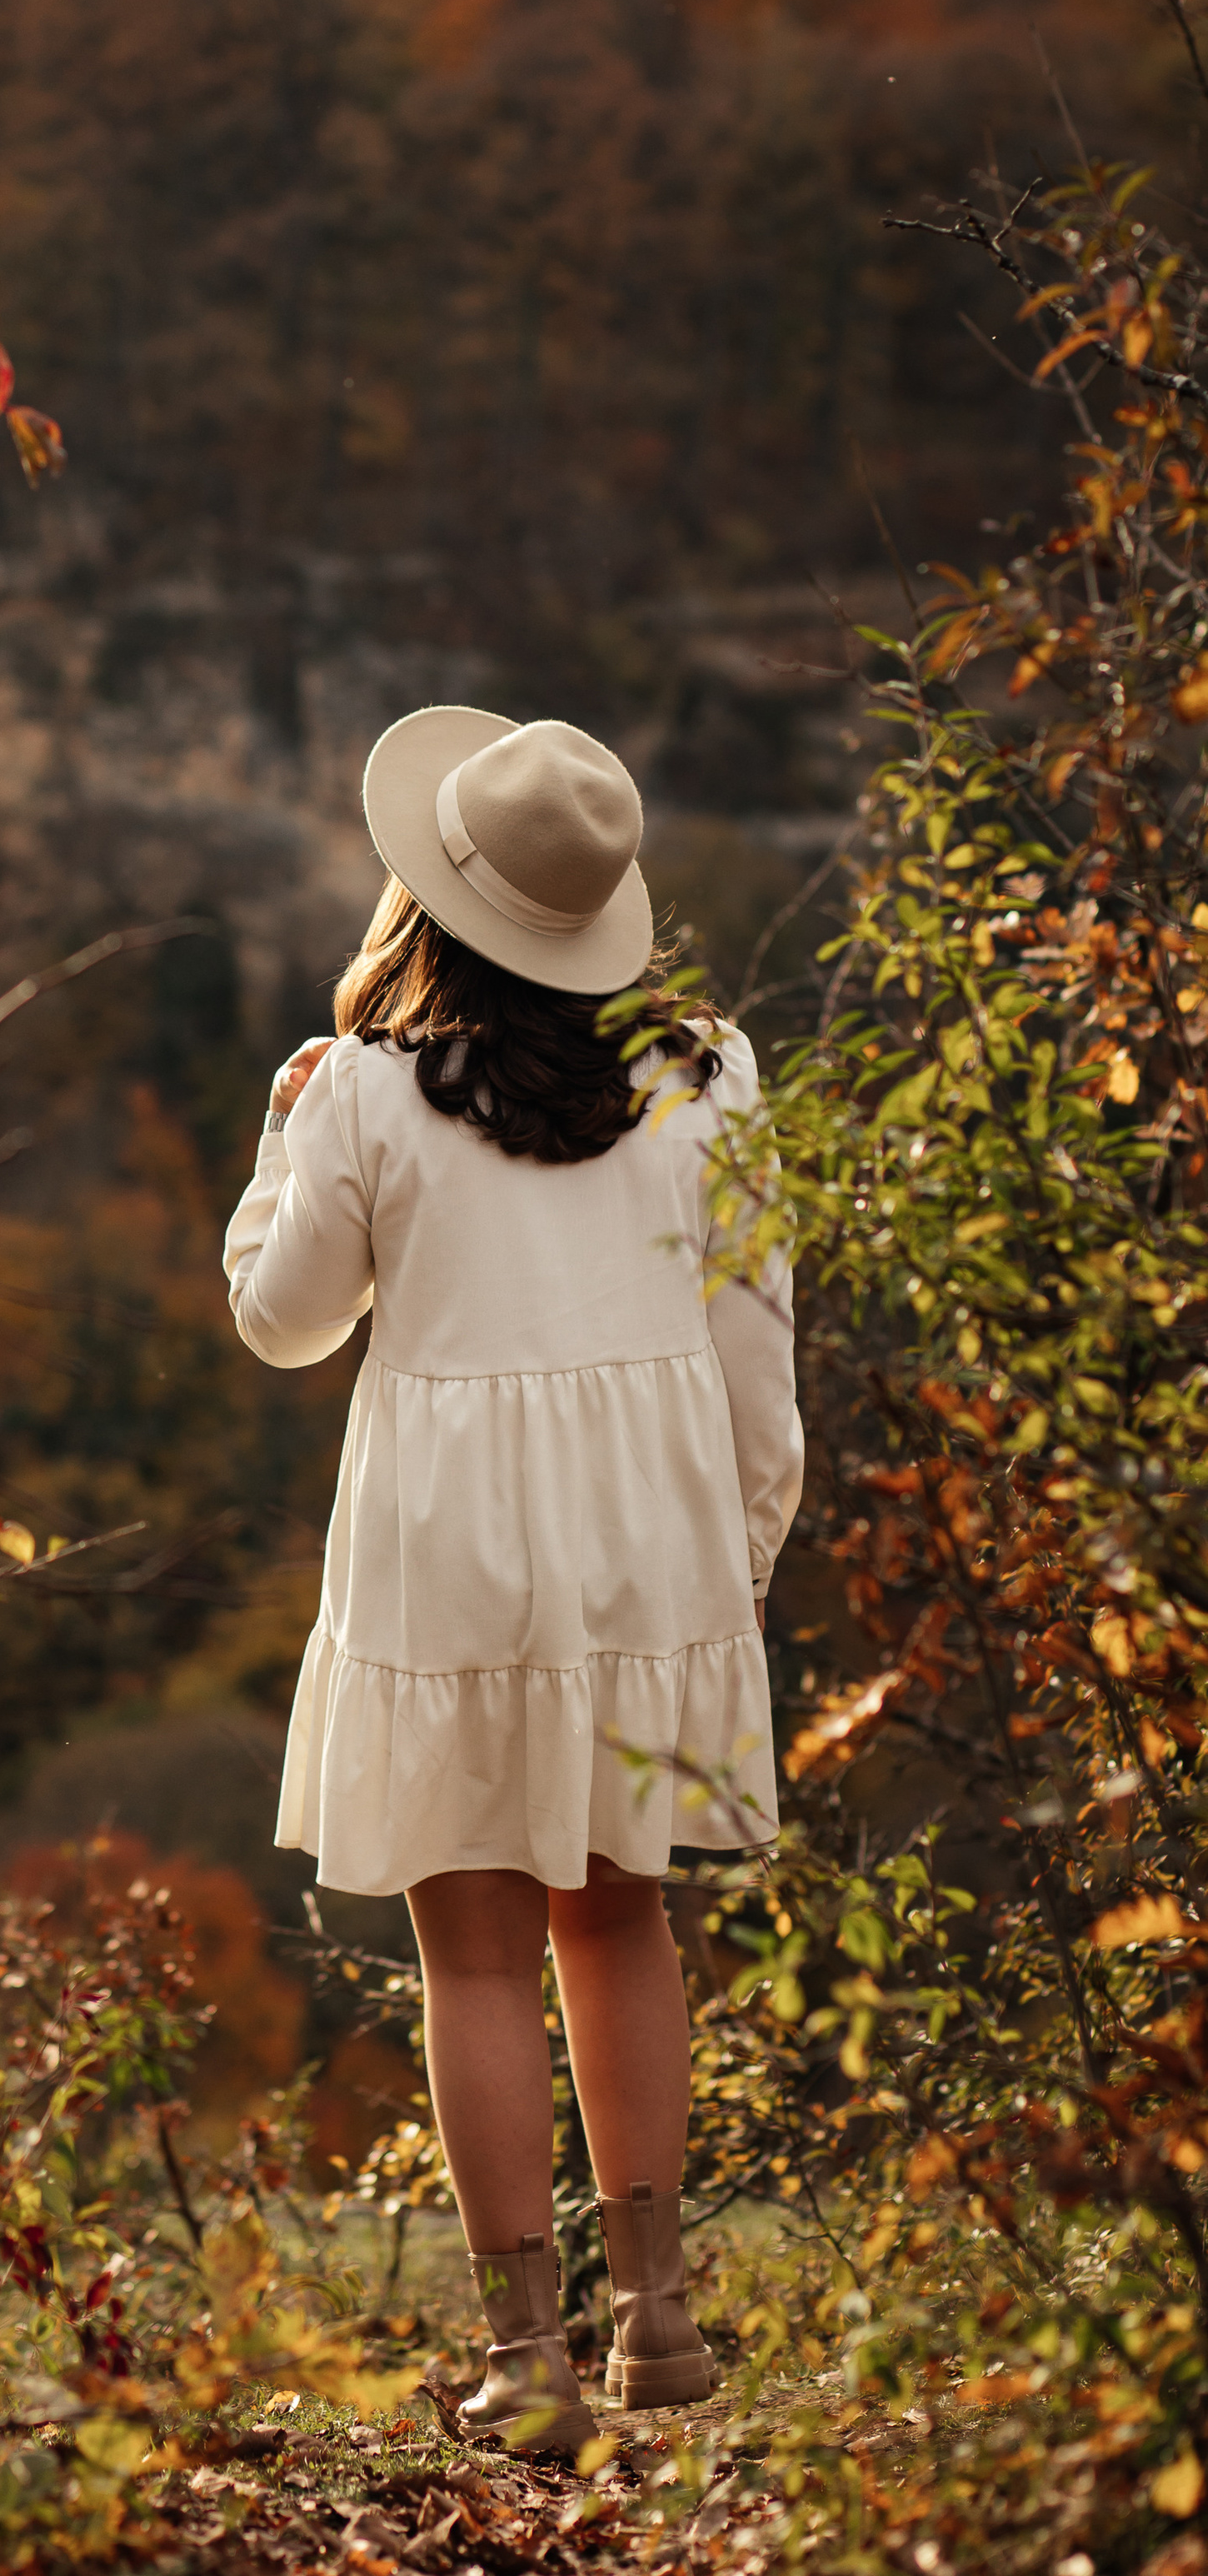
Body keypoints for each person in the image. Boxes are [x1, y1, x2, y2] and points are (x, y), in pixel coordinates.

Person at [223, 707, 801, 2459]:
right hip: (644, 1542)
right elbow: (755, 1350)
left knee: (471, 1959)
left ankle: (524, 2359)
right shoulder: (710, 1073)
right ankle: (658, 2324)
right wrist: (737, 1557)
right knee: (619, 1918)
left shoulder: (366, 1088)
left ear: (433, 895)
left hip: (450, 1546)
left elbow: (281, 1325)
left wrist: (281, 1139)